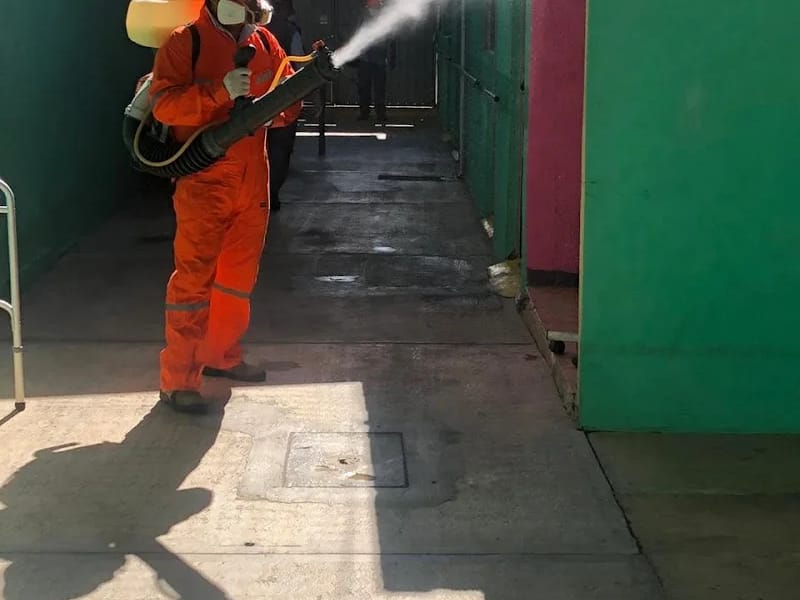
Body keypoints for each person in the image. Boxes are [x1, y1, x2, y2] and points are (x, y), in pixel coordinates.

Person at [149, 0, 302, 413]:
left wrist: (278, 112)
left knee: (237, 277)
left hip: (253, 178)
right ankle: (179, 380)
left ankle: (222, 355)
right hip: (204, 178)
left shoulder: (266, 41)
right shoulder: (186, 42)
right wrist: (219, 93)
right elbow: (164, 104)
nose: (251, 13)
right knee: (193, 282)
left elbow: (289, 100)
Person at [265, 0, 304, 211]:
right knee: (280, 152)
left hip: (253, 108)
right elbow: (300, 68)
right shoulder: (290, 32)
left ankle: (261, 196)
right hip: (284, 106)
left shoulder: (251, 31)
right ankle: (272, 196)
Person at [357, 0, 396, 124]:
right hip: (367, 59)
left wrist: (391, 56)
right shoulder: (363, 15)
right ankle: (366, 113)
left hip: (378, 59)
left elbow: (391, 38)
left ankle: (379, 113)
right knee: (365, 88)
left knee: (378, 89)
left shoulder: (384, 16)